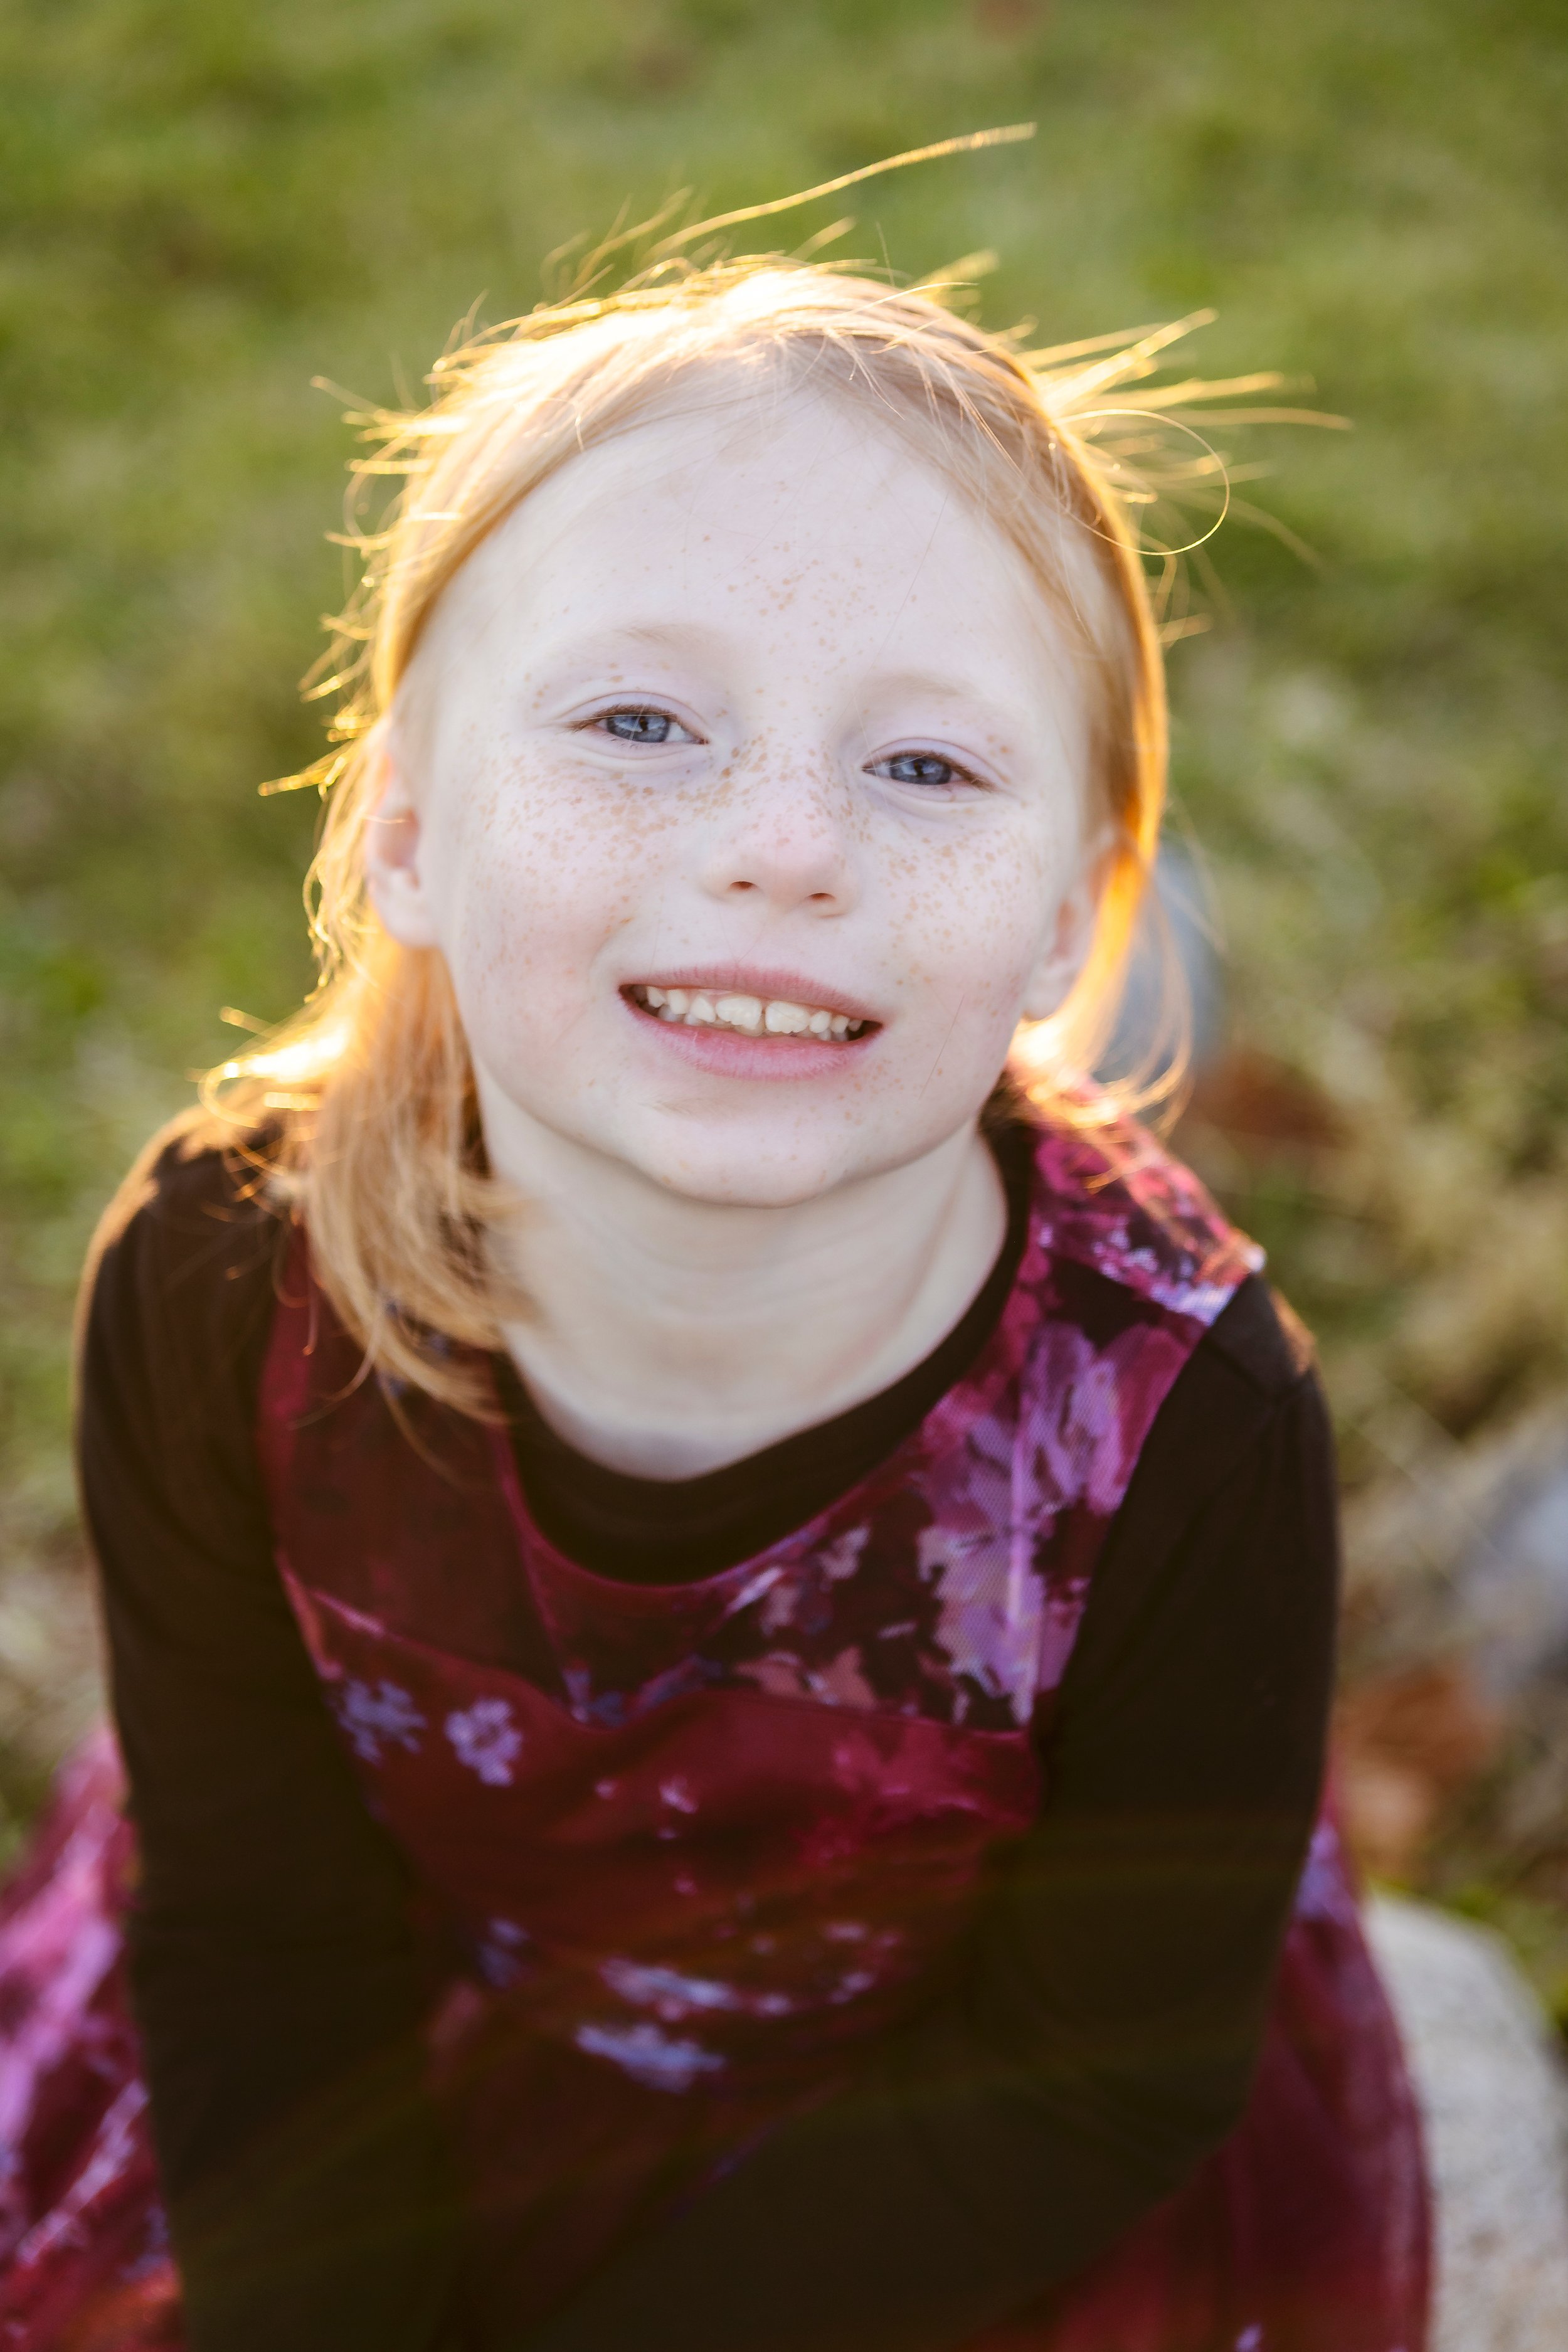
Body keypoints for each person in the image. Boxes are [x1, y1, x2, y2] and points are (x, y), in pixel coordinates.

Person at [0, 243, 1429, 2352]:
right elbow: (256, 1917)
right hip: (389, 2025)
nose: (782, 849)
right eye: (639, 720)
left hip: (943, 2163)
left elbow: (1097, 2066)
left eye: (924, 767)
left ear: (1066, 921)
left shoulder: (1181, 1422)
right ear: (398, 824)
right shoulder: (229, 1286)